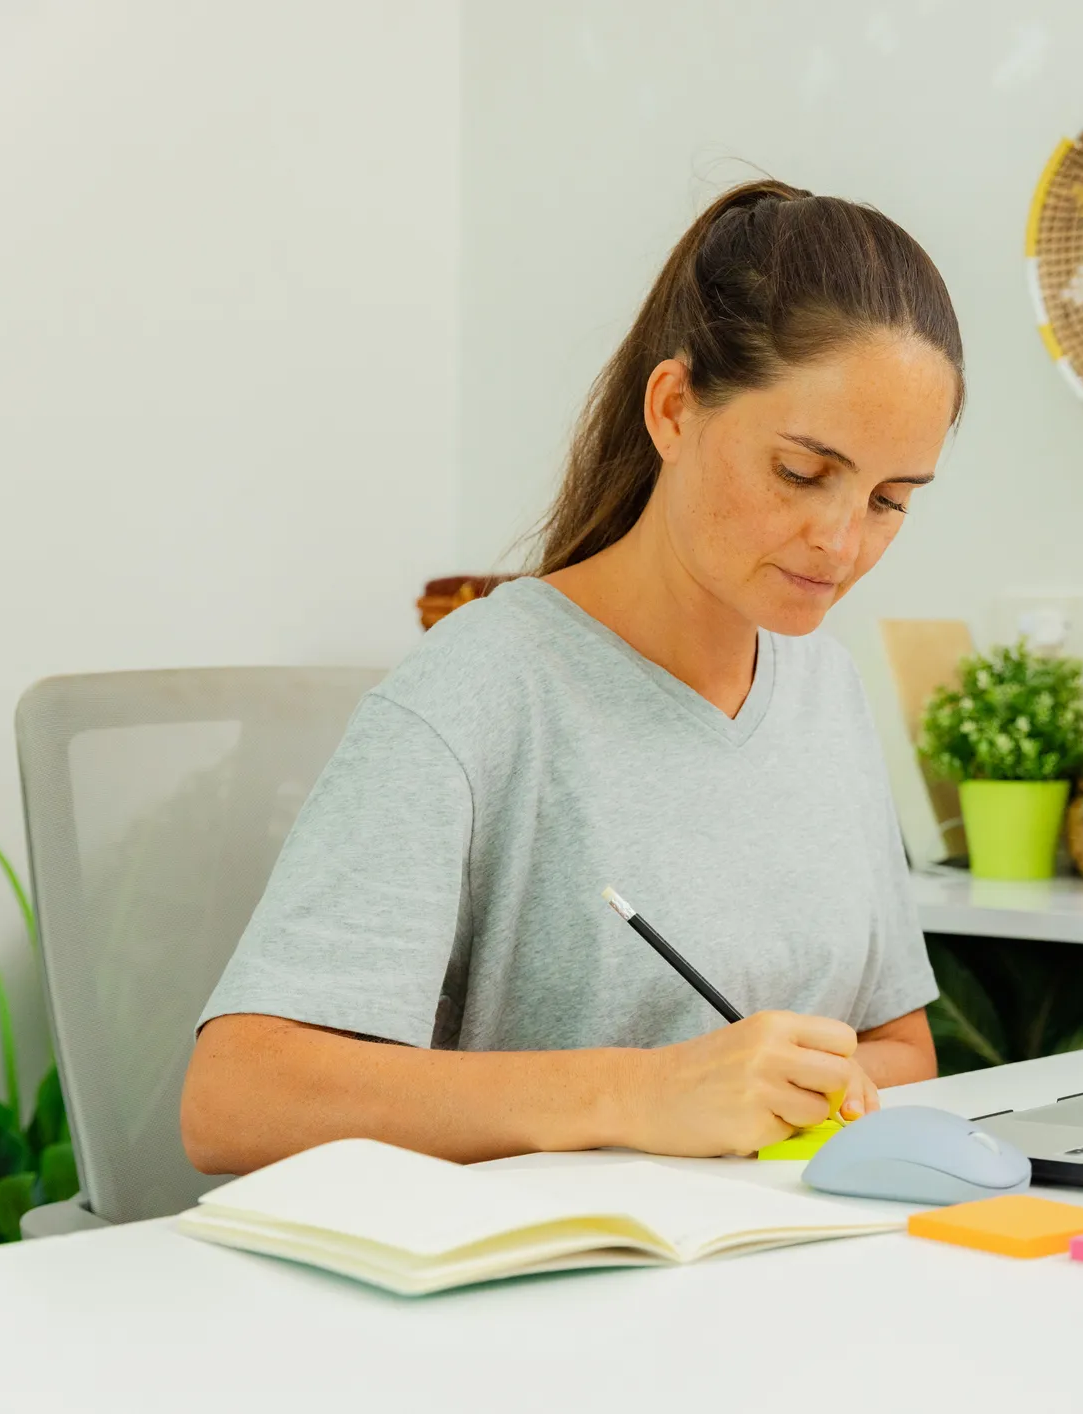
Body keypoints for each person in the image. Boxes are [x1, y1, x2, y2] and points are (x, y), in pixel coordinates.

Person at [180, 180, 964, 1174]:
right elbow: (235, 1097)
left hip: (778, 1267)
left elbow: (903, 1051)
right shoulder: (482, 687)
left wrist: (800, 1085)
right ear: (674, 409)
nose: (842, 542)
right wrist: (641, 1091)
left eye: (891, 499)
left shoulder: (826, 688)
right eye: (802, 474)